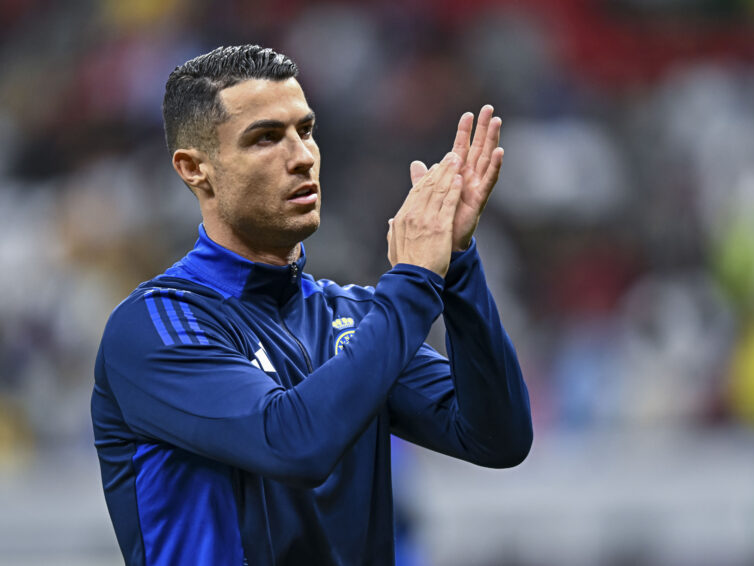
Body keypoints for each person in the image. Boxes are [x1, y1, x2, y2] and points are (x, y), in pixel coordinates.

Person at [91, 44, 533, 566]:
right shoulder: (155, 325)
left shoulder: (351, 318)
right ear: (195, 169)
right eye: (265, 138)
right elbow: (293, 443)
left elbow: (496, 438)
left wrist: (456, 264)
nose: (301, 156)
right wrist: (414, 281)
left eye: (304, 130)